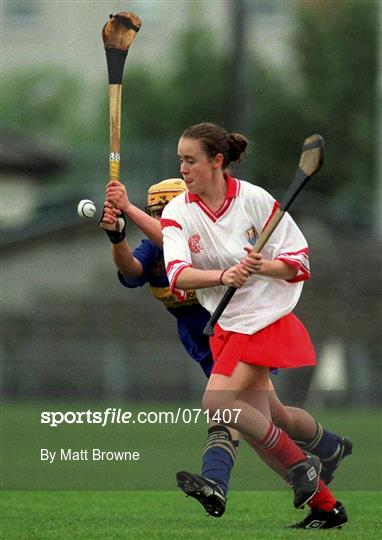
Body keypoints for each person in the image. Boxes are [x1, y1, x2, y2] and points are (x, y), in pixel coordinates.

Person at [102, 174, 351, 527]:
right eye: (153, 211)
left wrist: (127, 208)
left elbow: (176, 239)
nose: (159, 219)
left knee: (227, 414)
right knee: (271, 418)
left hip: (239, 334)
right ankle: (326, 461)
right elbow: (131, 271)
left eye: (164, 212)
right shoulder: (157, 247)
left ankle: (221, 482)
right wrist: (117, 237)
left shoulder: (199, 239)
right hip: (207, 345)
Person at [160, 122, 349, 529]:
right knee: (262, 419)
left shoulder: (255, 200)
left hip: (265, 318)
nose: (183, 168)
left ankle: (303, 467)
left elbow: (299, 260)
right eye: (180, 160)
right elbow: (177, 274)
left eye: (190, 160)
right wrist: (224, 276)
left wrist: (267, 265)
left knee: (217, 403)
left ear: (217, 161)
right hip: (226, 324)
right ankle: (325, 505)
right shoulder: (178, 211)